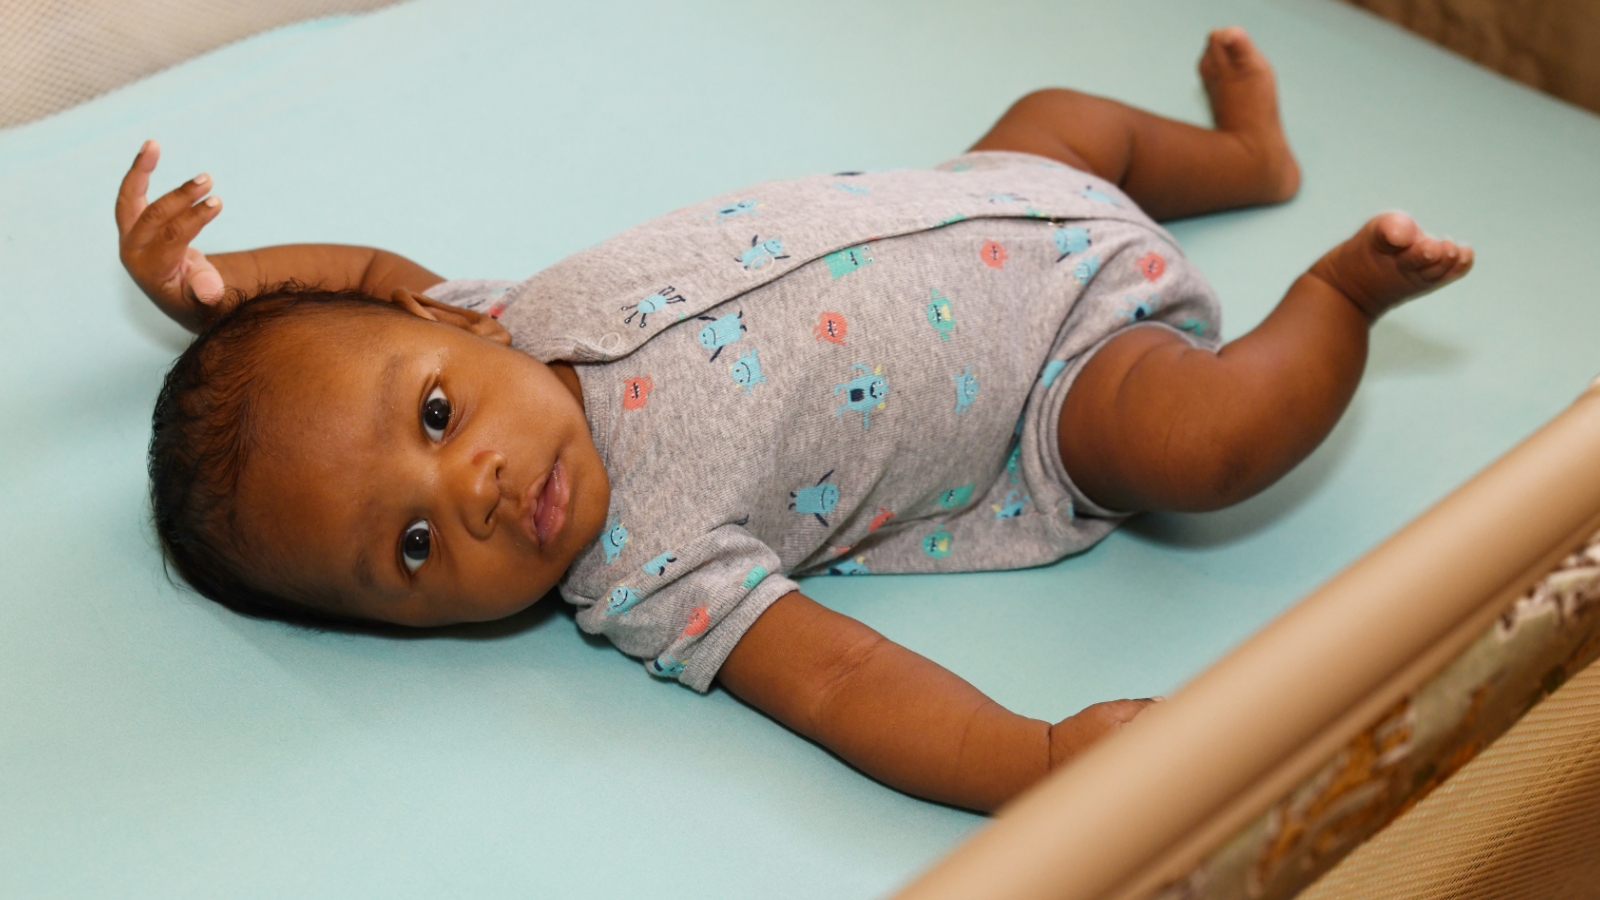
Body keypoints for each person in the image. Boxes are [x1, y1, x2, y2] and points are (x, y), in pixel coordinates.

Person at [121, 28, 1472, 813]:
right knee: (1207, 450)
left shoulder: (502, 311)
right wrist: (1036, 759)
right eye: (411, 551)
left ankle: (1245, 161)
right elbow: (841, 684)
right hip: (1067, 378)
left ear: (453, 336)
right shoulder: (648, 574)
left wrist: (212, 291)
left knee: (1067, 117)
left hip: (994, 184)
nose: (465, 488)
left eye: (430, 415)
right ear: (398, 632)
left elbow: (356, 285)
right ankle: (1340, 300)